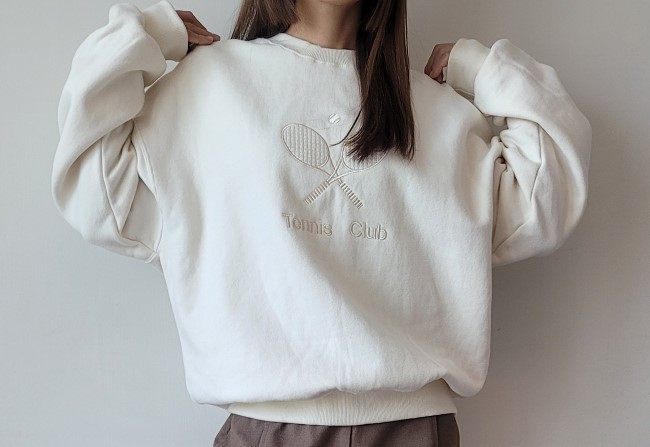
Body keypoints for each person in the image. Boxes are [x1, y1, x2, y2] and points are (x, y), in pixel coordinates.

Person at [51, 0, 592, 445]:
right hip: (268, 426)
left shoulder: (440, 114)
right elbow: (96, 186)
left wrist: (482, 68)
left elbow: (548, 194)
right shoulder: (207, 87)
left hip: (413, 429)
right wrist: (147, 36)